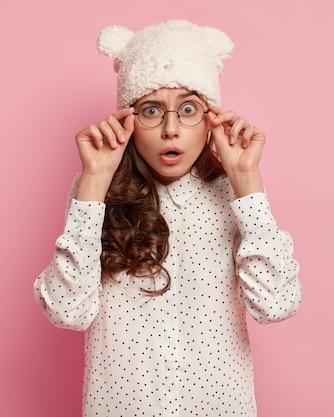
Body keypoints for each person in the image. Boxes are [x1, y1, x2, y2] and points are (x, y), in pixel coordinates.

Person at [33, 19, 302, 417]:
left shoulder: (236, 194)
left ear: (212, 117)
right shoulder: (93, 191)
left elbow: (276, 304)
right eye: (152, 110)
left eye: (189, 109)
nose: (171, 129)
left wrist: (247, 181)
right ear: (127, 118)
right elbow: (66, 311)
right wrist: (92, 182)